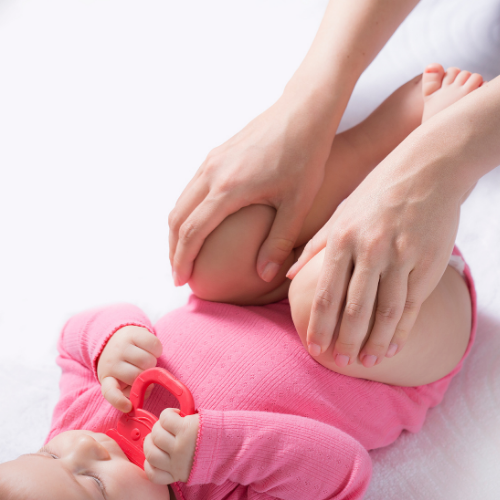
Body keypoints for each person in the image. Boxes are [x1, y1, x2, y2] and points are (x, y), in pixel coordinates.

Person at [0, 67, 478, 500]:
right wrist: (216, 449)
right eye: (93, 483)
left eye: (50, 455)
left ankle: (377, 145)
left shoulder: (79, 419)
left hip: (275, 282)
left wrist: (110, 341)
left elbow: (72, 341)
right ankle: (437, 171)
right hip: (395, 328)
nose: (85, 447)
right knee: (318, 302)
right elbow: (342, 470)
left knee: (213, 257)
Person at [168, 0, 500, 369]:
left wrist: (446, 159)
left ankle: (404, 152)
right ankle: (376, 156)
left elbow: (94, 333)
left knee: (318, 297)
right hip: (363, 305)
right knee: (216, 258)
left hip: (373, 306)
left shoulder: (108, 402)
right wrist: (306, 102)